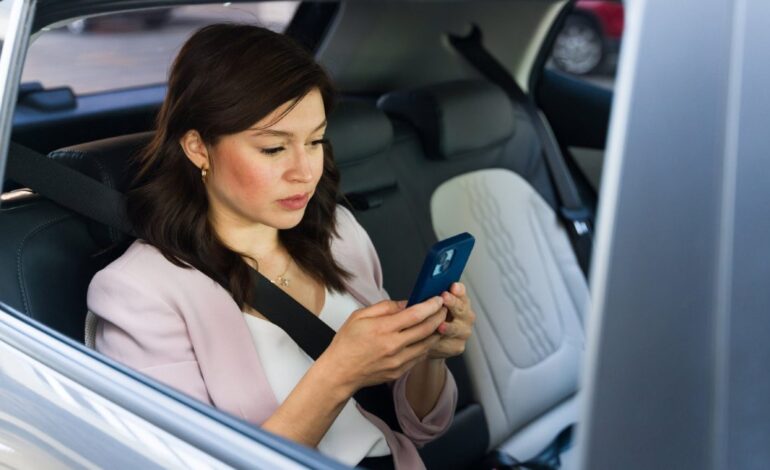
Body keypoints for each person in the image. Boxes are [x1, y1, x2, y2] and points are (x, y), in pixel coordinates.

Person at [87, 23, 476, 469]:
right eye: (274, 149)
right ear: (198, 147)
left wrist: (429, 354)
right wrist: (340, 372)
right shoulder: (140, 293)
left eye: (315, 142)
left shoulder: (339, 234)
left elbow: (421, 427)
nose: (305, 171)